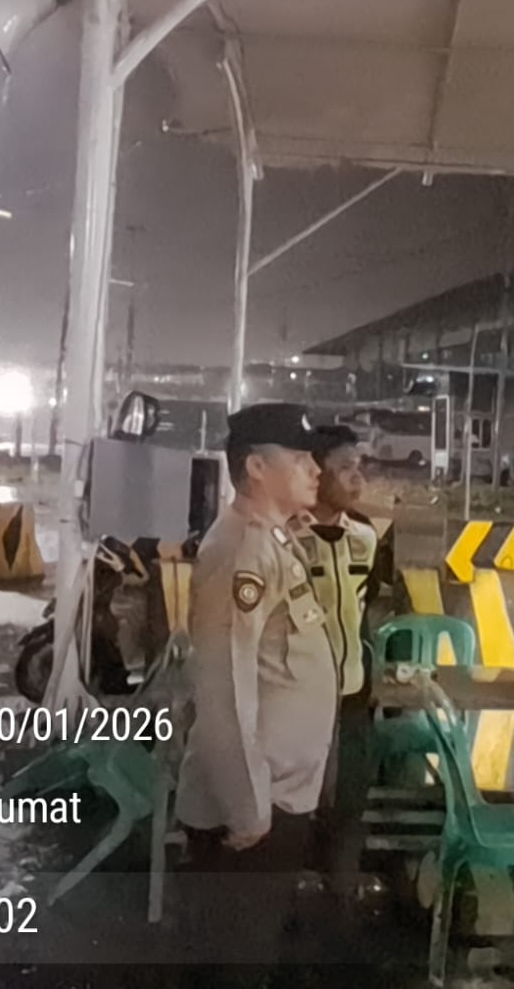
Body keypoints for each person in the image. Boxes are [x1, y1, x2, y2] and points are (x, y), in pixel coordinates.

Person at [175, 403, 337, 978]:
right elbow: (223, 682)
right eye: (299, 458)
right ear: (256, 468)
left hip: (279, 794)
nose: (315, 469)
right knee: (236, 964)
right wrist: (245, 806)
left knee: (252, 953)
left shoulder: (274, 540)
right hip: (252, 805)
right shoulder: (241, 549)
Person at [292, 425, 382, 889]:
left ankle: (340, 911)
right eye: (344, 468)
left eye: (359, 468)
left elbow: (366, 609)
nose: (356, 478)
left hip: (351, 700)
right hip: (296, 703)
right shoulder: (284, 538)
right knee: (295, 814)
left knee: (348, 811)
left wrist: (369, 681)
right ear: (315, 473)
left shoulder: (366, 536)